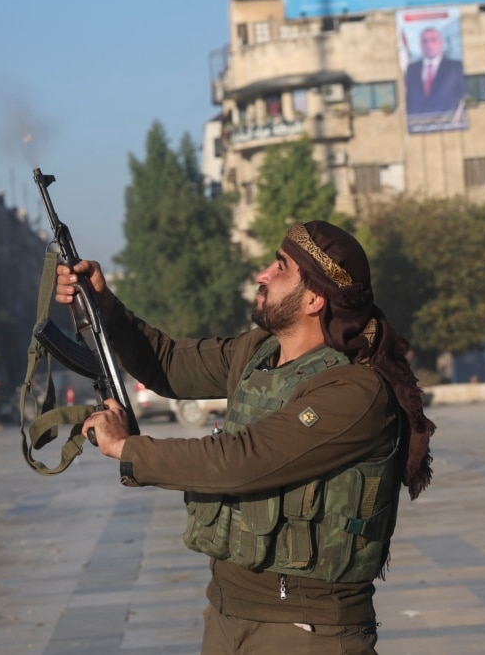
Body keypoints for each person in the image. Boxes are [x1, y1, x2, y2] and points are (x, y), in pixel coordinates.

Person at [56, 221, 435, 655]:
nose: (263, 275)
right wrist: (104, 307)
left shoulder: (355, 392)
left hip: (308, 631)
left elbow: (242, 460)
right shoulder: (257, 351)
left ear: (314, 298)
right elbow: (167, 363)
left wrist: (128, 448)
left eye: (280, 267)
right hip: (227, 614)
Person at [403, 27, 465, 117]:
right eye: (425, 41)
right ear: (420, 45)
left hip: (448, 121)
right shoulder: (412, 69)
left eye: (433, 40)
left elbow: (462, 96)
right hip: (417, 123)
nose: (429, 45)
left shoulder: (455, 67)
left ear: (441, 43)